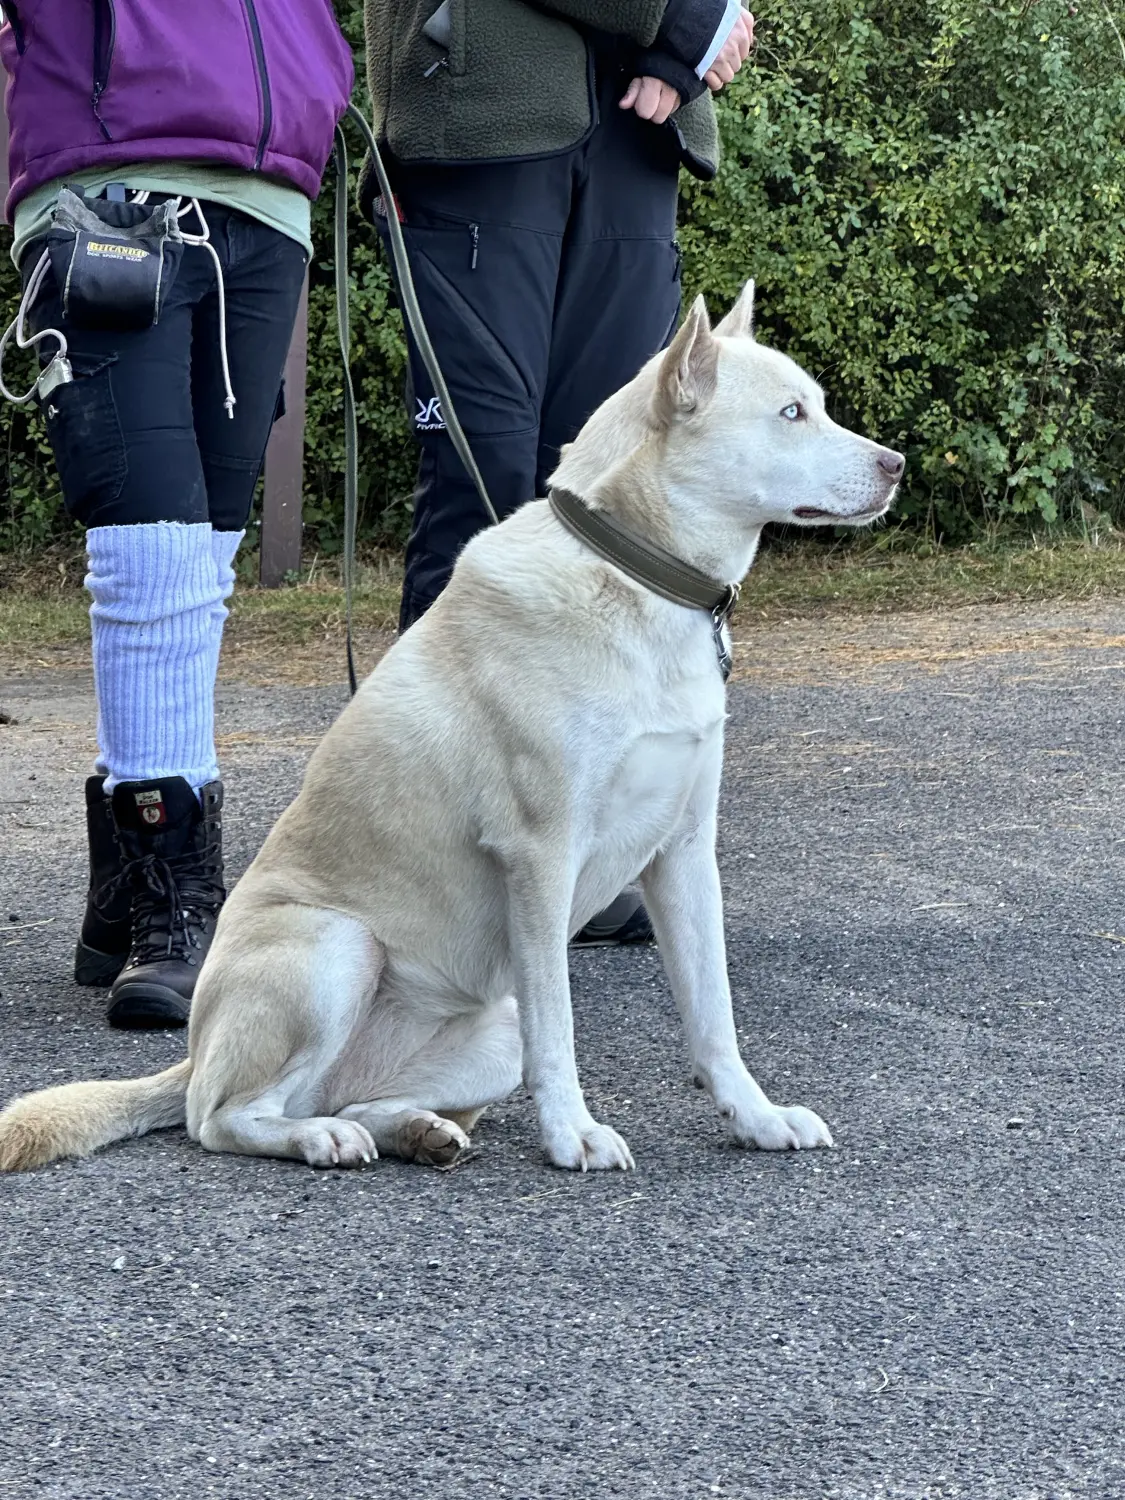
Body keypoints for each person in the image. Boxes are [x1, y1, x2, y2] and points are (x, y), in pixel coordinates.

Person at [362, 0, 753, 944]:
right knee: (482, 494)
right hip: (480, 119)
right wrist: (689, 15)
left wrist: (680, 42)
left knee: (602, 502)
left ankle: (563, 850)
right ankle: (421, 857)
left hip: (636, 128)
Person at [0, 2, 354, 1029]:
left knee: (201, 555)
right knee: (148, 548)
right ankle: (177, 902)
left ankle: (127, 874)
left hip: (271, 184)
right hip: (107, 174)